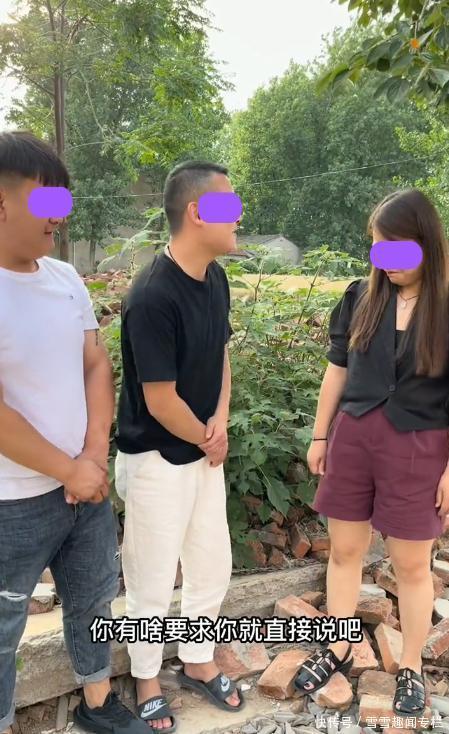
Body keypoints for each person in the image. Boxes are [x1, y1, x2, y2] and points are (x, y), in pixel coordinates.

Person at [0, 131, 150, 734]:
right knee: (4, 625)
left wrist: (91, 455)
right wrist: (70, 469)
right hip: (12, 502)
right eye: (45, 202)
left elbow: (94, 364)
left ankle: (97, 702)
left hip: (82, 489)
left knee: (93, 597)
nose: (58, 217)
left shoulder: (64, 277)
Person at [294, 189, 449, 718]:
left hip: (420, 446)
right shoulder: (361, 296)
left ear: (426, 243)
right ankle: (338, 645)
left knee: (411, 565)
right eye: (379, 247)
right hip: (354, 438)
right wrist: (320, 436)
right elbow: (337, 369)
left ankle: (410, 666)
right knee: (344, 550)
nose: (385, 259)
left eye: (397, 247)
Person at [115, 160, 244, 731]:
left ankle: (196, 659)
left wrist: (220, 422)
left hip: (202, 452)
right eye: (229, 205)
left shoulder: (215, 278)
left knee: (211, 563)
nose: (238, 215)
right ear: (197, 213)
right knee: (150, 574)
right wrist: (207, 437)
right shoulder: (152, 294)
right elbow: (160, 399)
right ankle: (146, 677)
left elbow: (221, 354)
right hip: (155, 460)